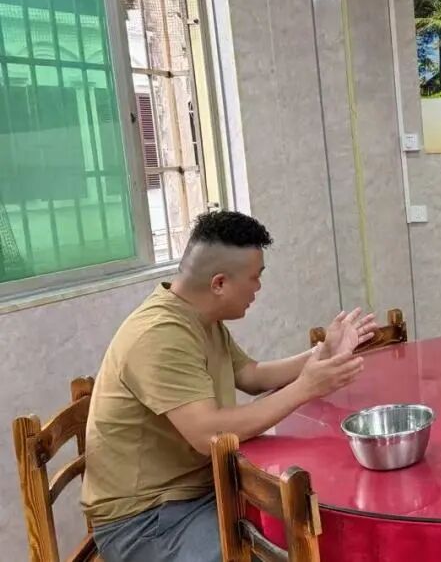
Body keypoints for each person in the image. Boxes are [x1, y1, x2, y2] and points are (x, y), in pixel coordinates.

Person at [82, 211, 377, 562]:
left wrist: (321, 353)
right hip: (146, 520)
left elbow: (251, 375)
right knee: (277, 551)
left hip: (201, 491)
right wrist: (306, 388)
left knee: (310, 532)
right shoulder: (161, 335)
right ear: (219, 283)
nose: (258, 288)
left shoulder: (200, 318)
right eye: (255, 277)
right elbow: (209, 435)